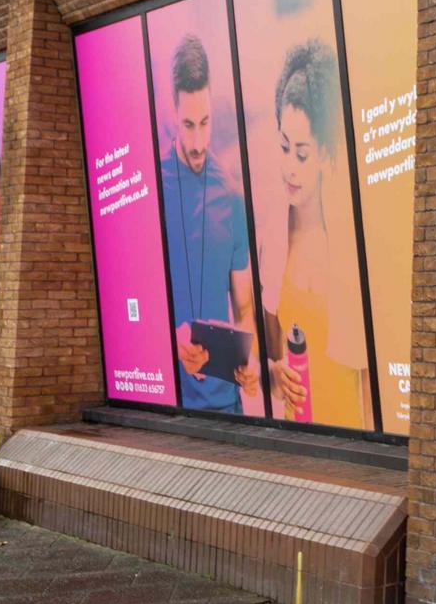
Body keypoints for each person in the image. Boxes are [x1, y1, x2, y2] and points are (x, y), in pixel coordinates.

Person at [265, 36, 371, 428]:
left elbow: (368, 376)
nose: (289, 166)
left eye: (302, 153)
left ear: (325, 154)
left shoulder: (348, 240)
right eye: (283, 146)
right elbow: (267, 349)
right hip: (299, 443)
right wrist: (273, 375)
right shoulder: (274, 235)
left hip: (351, 442)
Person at [159, 33, 261, 412]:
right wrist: (173, 338)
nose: (200, 141)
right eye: (188, 125)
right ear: (172, 112)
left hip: (226, 406)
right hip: (168, 406)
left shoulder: (232, 196)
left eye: (205, 122)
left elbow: (245, 309)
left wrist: (248, 361)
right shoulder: (152, 189)